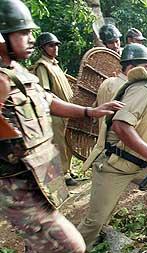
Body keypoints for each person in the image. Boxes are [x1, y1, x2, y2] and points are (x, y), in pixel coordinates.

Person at [0, 1, 124, 253]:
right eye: (22, 33)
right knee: (71, 248)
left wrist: (88, 112)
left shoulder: (18, 71)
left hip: (38, 177)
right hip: (13, 185)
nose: (31, 39)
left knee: (40, 244)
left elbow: (48, 101)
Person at [78, 50, 147, 251]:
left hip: (144, 165)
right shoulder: (145, 88)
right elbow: (121, 126)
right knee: (95, 222)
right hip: (116, 164)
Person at [31, 32, 77, 186]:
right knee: (59, 144)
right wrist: (63, 107)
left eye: (56, 45)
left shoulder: (55, 64)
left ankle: (68, 170)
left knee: (68, 143)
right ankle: (62, 175)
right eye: (51, 45)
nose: (55, 48)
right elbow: (46, 92)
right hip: (55, 113)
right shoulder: (42, 66)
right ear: (43, 48)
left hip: (67, 112)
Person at [94, 43, 147, 130]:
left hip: (100, 140)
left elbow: (95, 113)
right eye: (146, 67)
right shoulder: (134, 89)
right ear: (131, 68)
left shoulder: (106, 82)